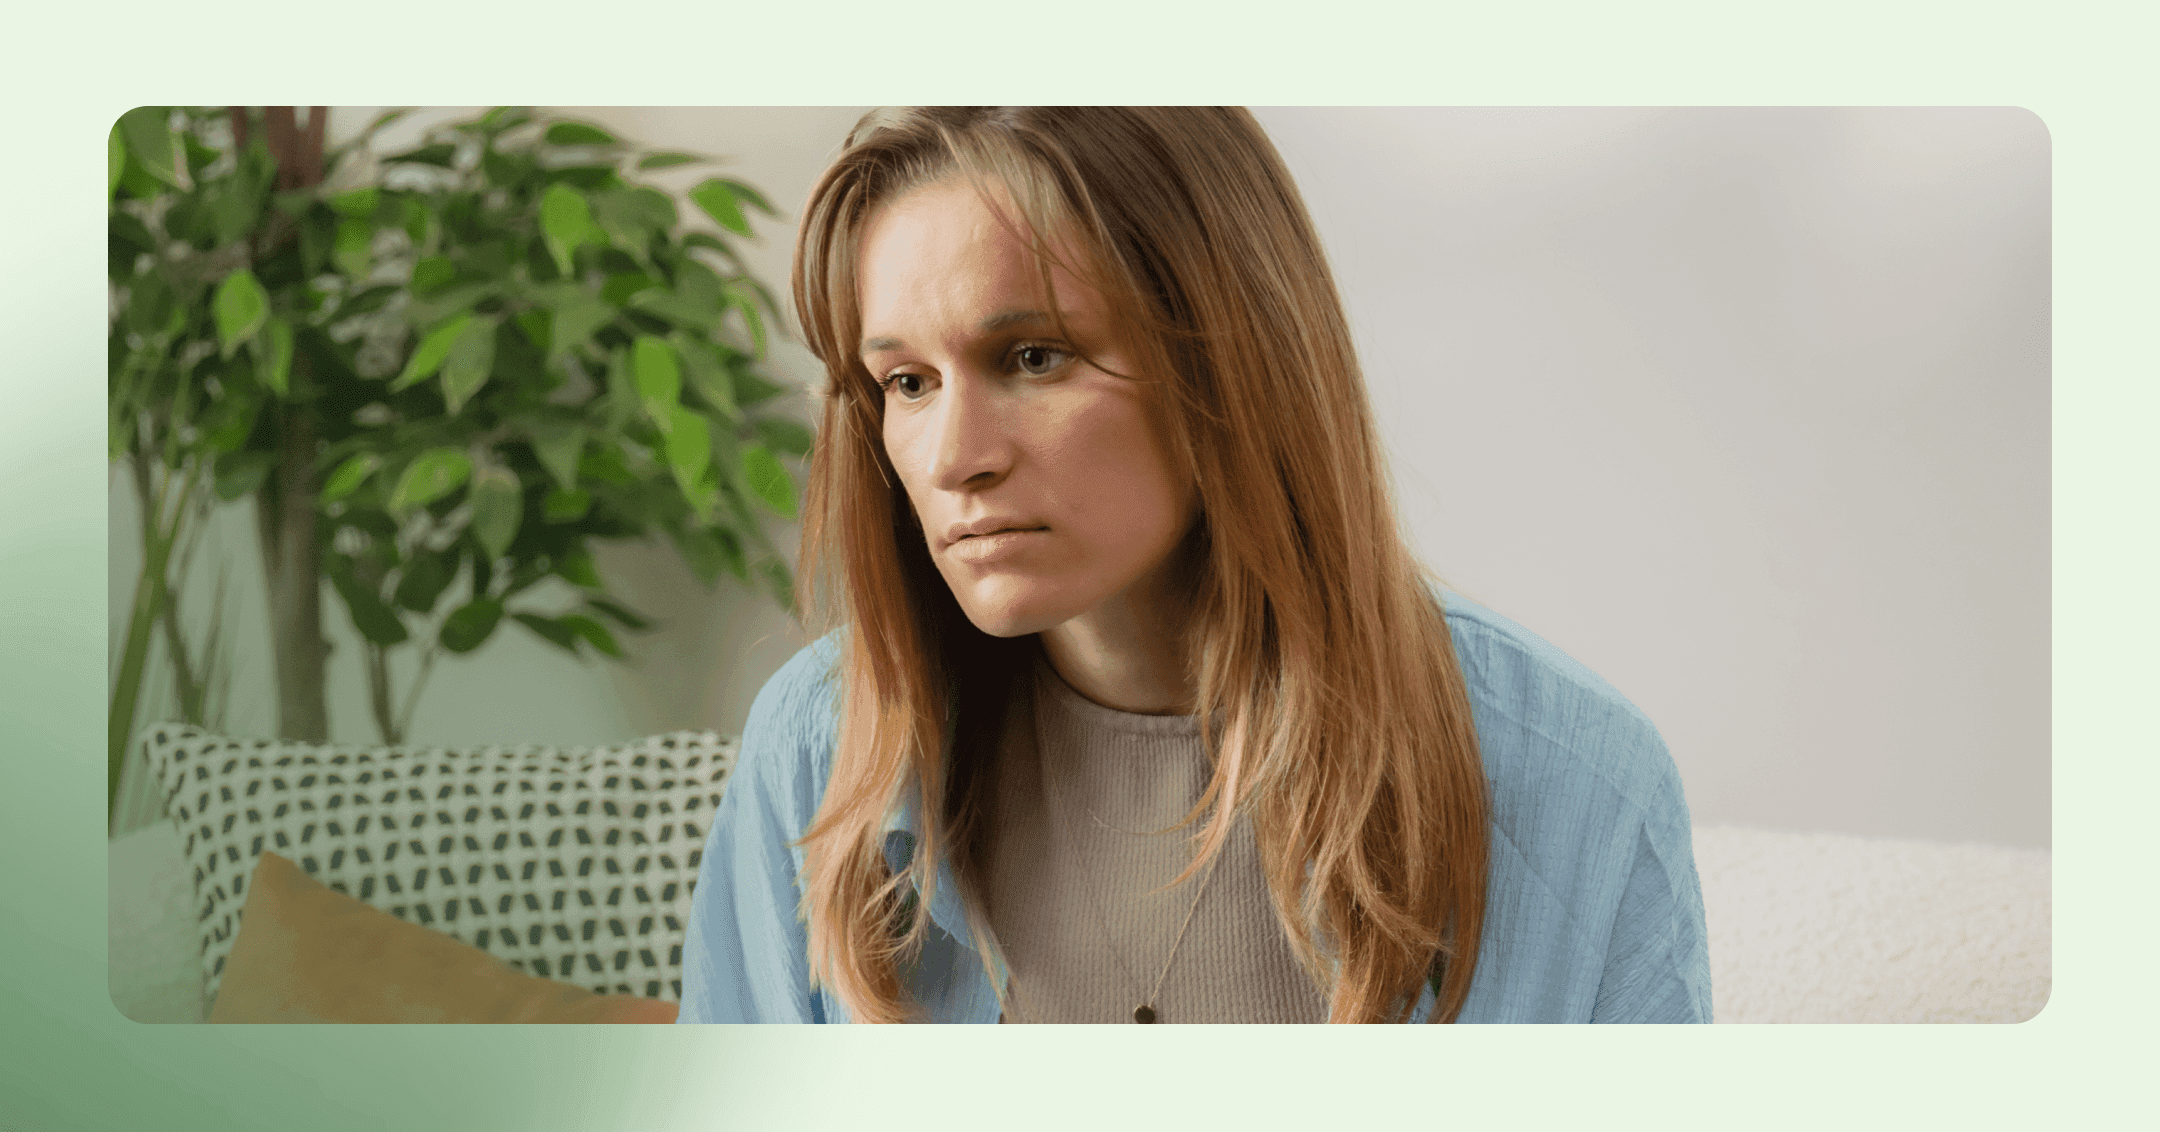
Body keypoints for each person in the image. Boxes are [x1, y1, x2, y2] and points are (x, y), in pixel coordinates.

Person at [676, 107, 1710, 1024]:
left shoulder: (1579, 786)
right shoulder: (819, 752)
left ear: (1230, 354)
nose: (953, 456)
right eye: (905, 381)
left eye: (1033, 356)